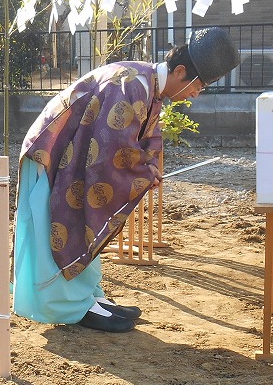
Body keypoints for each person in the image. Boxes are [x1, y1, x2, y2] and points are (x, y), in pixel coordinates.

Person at [13, 28, 240, 334]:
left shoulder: (149, 86)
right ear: (181, 71)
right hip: (52, 153)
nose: (196, 94)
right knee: (54, 224)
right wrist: (145, 171)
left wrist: (149, 167)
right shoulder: (132, 84)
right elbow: (112, 146)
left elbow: (142, 138)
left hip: (72, 152)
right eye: (198, 85)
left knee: (81, 222)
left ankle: (87, 296)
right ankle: (66, 305)